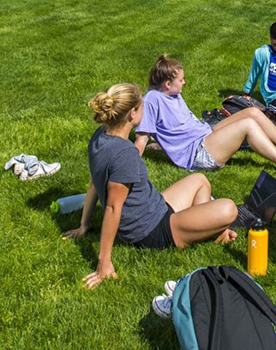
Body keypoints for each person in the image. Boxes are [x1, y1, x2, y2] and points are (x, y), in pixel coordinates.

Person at [64, 83, 240, 289]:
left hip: (155, 206)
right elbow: (113, 208)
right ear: (132, 113)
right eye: (142, 105)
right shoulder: (124, 154)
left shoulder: (99, 137)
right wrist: (104, 262)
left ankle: (208, 230)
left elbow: (95, 182)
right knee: (229, 208)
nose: (146, 108)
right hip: (150, 231)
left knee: (199, 180)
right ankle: (206, 230)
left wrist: (84, 225)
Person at [136, 55, 276, 177]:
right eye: (181, 80)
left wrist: (163, 145)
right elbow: (142, 138)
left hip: (205, 134)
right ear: (167, 84)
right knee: (247, 125)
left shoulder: (172, 94)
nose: (184, 82)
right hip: (198, 153)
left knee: (252, 112)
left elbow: (172, 126)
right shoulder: (152, 101)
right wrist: (130, 167)